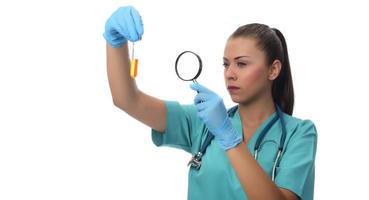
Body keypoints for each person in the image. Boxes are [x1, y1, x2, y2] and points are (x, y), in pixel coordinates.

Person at [103, 6, 318, 200]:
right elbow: (128, 100)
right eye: (226, 64)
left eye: (241, 64)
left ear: (273, 70)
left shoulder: (299, 134)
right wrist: (116, 43)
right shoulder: (204, 123)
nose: (230, 74)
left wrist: (230, 140)